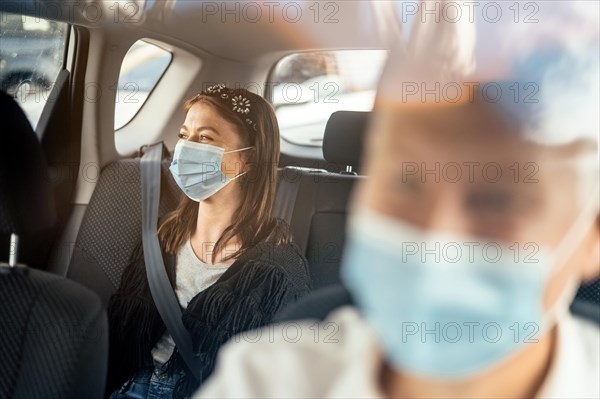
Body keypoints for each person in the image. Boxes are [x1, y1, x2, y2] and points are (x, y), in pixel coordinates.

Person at [194, 3, 600, 399]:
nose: (433, 239)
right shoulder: (264, 379)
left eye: (498, 200)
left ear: (592, 237)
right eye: (403, 184)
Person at [106, 85, 311, 398]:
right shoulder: (161, 237)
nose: (186, 148)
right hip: (130, 384)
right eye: (184, 135)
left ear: (249, 159)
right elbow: (119, 328)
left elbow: (280, 374)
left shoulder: (279, 270)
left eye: (205, 137)